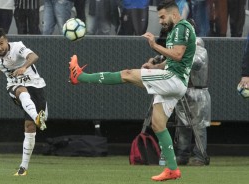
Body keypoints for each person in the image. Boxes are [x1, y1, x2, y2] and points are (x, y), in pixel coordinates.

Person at [68, 0, 196, 181]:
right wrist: (155, 66)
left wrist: (154, 46)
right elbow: (174, 59)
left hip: (173, 80)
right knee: (158, 124)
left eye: (162, 17)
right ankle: (172, 169)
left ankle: (80, 76)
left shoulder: (182, 27)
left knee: (127, 74)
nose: (160, 21)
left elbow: (177, 54)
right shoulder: (177, 30)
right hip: (174, 81)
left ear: (174, 14)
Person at [0, 28, 47, 176]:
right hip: (14, 85)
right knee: (20, 91)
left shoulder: (18, 46)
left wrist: (24, 67)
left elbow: (34, 56)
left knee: (30, 127)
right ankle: (22, 168)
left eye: (1, 43)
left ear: (6, 40)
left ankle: (24, 167)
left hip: (36, 85)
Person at [175, 37, 211, 166]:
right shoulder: (178, 48)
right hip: (183, 91)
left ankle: (200, 156)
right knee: (182, 126)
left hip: (198, 93)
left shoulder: (200, 49)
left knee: (199, 126)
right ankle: (182, 155)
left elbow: (196, 63)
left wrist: (180, 54)